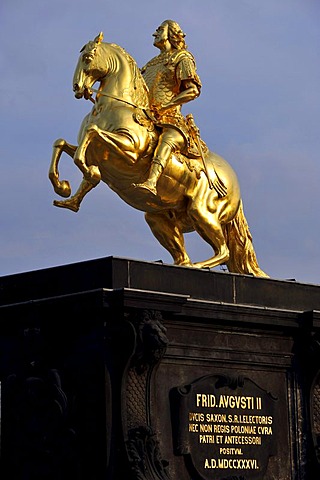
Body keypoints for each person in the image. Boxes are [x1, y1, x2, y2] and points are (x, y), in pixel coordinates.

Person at [134, 19, 202, 196]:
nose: (154, 33)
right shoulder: (149, 64)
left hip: (171, 119)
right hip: (147, 116)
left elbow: (193, 90)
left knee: (167, 140)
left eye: (159, 29)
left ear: (171, 34)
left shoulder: (182, 57)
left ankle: (151, 181)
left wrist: (167, 106)